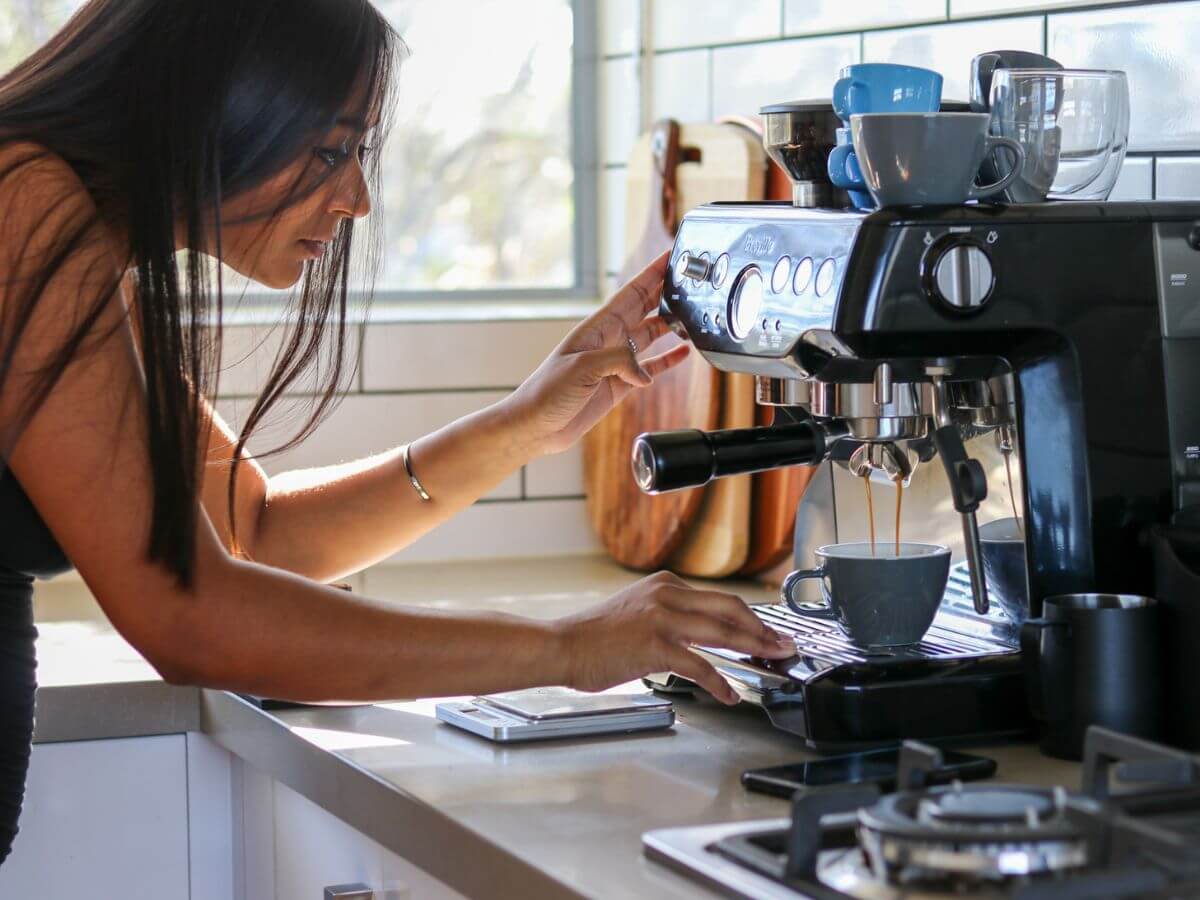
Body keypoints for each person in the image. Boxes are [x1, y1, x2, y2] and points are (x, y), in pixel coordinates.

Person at [0, 0, 794, 867]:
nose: (358, 199)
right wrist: (570, 647)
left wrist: (522, 425)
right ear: (215, 101)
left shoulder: (81, 241)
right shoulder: (25, 207)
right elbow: (193, 617)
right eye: (333, 149)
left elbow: (255, 534)